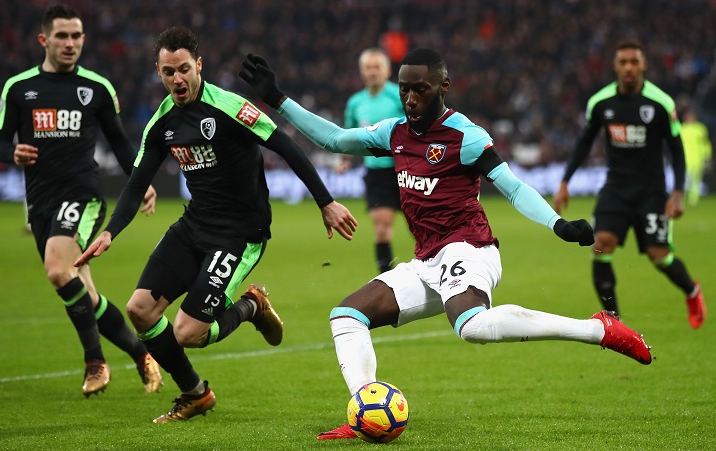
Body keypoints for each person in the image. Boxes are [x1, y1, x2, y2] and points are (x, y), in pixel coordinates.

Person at [239, 48, 653, 440]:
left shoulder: (465, 135)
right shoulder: (393, 132)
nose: (410, 97)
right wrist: (277, 97)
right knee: (345, 316)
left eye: (420, 88)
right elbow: (332, 139)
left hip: (470, 248)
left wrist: (558, 224)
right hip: (427, 261)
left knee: (471, 326)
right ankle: (366, 411)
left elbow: (512, 187)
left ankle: (595, 329)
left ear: (443, 87)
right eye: (404, 88)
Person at [75, 26, 358, 423]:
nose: (177, 79)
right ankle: (195, 393)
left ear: (199, 66)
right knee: (139, 310)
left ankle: (251, 305)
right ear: (159, 72)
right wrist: (108, 232)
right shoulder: (162, 123)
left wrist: (325, 201)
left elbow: (285, 144)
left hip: (240, 235)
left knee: (188, 333)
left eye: (184, 69)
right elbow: (137, 183)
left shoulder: (229, 107)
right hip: (194, 226)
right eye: (168, 72)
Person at [0, 4, 162, 397]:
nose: (70, 44)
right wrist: (11, 152)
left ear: (84, 39)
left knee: (56, 268)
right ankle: (142, 354)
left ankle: (95, 363)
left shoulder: (97, 88)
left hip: (83, 196)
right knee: (85, 294)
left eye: (76, 37)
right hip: (39, 203)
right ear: (44, 40)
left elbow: (119, 142)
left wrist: (142, 179)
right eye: (62, 36)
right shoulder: (19, 88)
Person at [553, 39, 706, 329]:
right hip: (616, 188)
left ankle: (692, 291)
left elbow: (676, 149)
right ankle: (615, 320)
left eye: (634, 62)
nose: (628, 68)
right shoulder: (600, 103)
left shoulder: (660, 103)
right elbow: (584, 143)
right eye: (623, 62)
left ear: (643, 65)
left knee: (659, 256)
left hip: (651, 190)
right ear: (615, 66)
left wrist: (677, 193)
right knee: (600, 245)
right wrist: (564, 181)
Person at [336, 48, 406, 274]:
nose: (373, 72)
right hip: (377, 174)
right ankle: (387, 279)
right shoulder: (356, 102)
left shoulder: (399, 95)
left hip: (405, 170)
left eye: (377, 67)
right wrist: (345, 159)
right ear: (362, 72)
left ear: (387, 71)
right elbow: (349, 133)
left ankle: (435, 267)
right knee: (382, 230)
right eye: (368, 67)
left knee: (421, 226)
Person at [680, 109, 712, 206]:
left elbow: (705, 143)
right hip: (685, 158)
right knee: (684, 179)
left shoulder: (700, 129)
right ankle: (683, 196)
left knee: (696, 179)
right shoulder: (682, 129)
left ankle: (693, 199)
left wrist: (707, 156)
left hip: (698, 158)